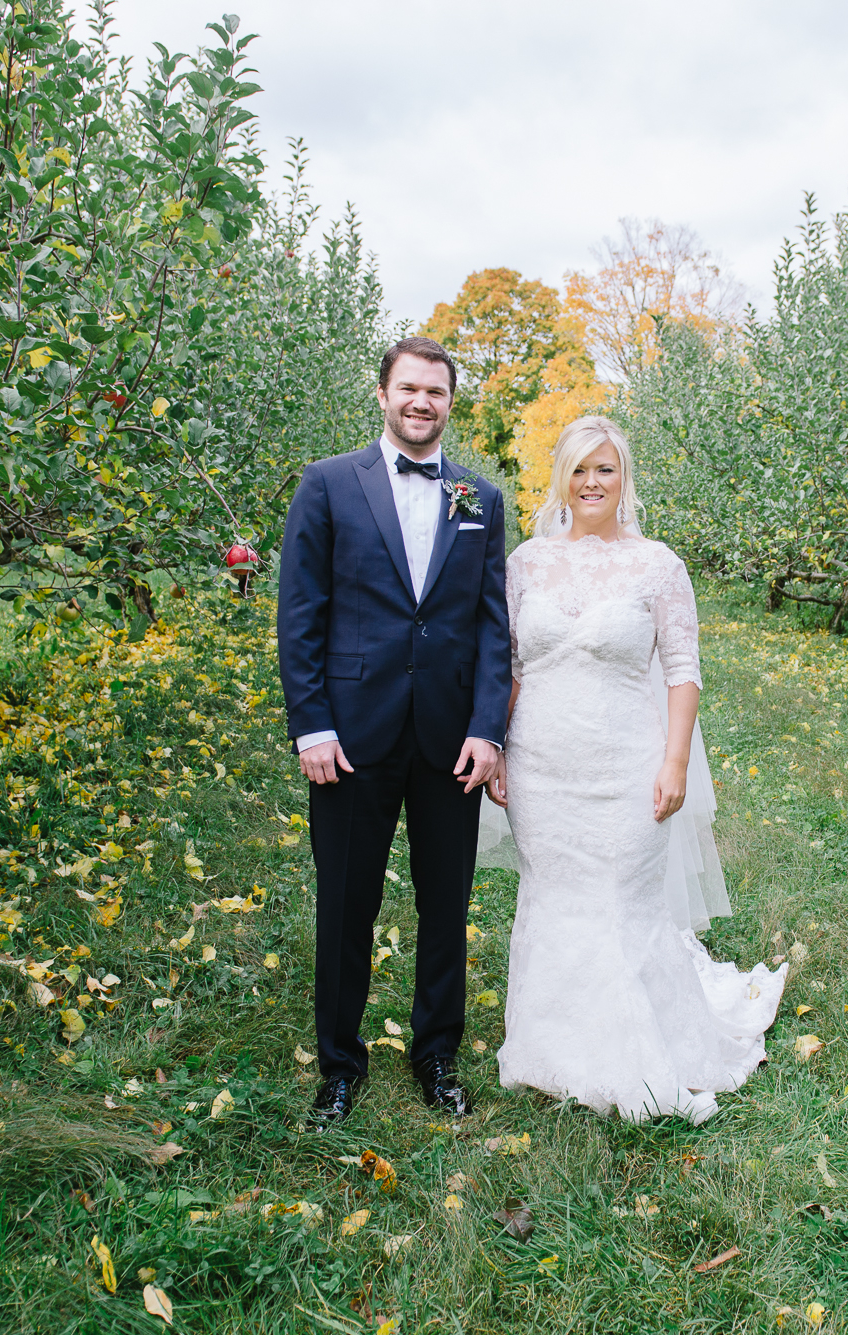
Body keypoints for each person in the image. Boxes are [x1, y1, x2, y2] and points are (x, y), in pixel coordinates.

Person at [485, 416, 787, 1124]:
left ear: (625, 479)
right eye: (580, 469)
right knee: (555, 894)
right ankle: (549, 1049)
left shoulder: (657, 564)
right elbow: (513, 667)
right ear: (560, 476)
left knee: (622, 897)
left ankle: (640, 1054)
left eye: (606, 469)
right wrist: (496, 744)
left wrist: (675, 759)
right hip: (542, 764)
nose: (592, 482)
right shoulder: (525, 563)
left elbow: (683, 671)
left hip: (626, 762)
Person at [276, 336, 511, 1126]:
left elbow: (489, 622)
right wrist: (310, 724)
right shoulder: (327, 484)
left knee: (447, 902)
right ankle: (339, 1064)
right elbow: (301, 614)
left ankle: (436, 1054)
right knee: (346, 902)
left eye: (436, 391)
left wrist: (489, 728)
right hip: (349, 735)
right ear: (382, 394)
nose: (422, 402)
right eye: (408, 388)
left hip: (451, 739)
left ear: (451, 402)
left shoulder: (477, 498)